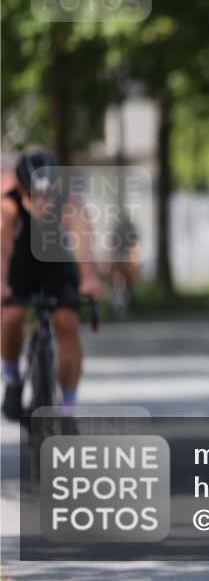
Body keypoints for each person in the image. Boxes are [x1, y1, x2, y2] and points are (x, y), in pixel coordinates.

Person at [1, 149, 102, 420]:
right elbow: (2, 248)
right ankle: (12, 379)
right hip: (19, 269)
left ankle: (67, 408)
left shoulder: (70, 204)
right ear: (22, 191)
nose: (45, 202)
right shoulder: (8, 207)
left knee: (67, 323)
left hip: (58, 269)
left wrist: (90, 278)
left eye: (50, 194)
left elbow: (83, 244)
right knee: (11, 317)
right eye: (37, 195)